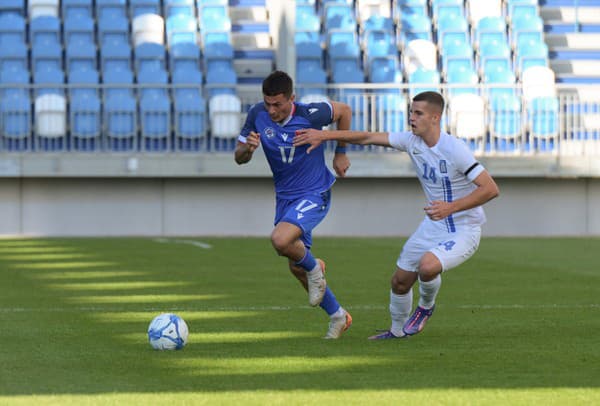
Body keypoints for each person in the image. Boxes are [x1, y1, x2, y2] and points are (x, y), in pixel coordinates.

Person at [293, 91, 500, 339]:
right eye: (411, 112)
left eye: (418, 113)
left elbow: (490, 189)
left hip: (465, 228)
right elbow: (367, 136)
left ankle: (425, 308)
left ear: (435, 118)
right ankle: (397, 332)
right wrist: (326, 136)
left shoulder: (454, 149)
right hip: (434, 224)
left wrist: (450, 207)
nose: (411, 118)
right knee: (400, 281)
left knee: (427, 266)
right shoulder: (411, 141)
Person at [234, 70, 353, 339]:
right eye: (268, 104)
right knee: (295, 265)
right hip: (286, 199)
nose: (272, 110)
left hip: (315, 193)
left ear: (292, 99)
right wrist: (247, 149)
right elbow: (238, 157)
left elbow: (345, 111)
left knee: (280, 240)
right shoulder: (257, 115)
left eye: (278, 104)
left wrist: (341, 153)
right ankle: (338, 316)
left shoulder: (311, 113)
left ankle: (315, 267)